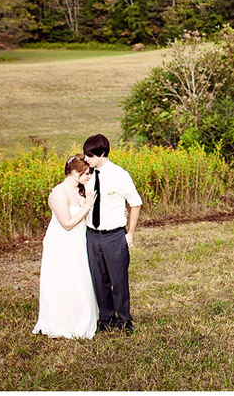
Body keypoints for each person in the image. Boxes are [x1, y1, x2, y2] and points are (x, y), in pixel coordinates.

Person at [33, 154, 98, 339]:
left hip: (80, 241)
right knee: (64, 279)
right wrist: (87, 206)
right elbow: (67, 224)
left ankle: (82, 317)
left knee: (80, 278)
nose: (88, 177)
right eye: (86, 173)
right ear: (74, 172)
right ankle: (62, 321)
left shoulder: (81, 190)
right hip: (62, 242)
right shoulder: (58, 193)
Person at [83, 134, 143, 334]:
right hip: (92, 235)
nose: (86, 158)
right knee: (99, 280)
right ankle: (106, 319)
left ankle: (125, 320)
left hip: (114, 235)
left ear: (101, 153)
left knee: (118, 280)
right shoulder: (86, 175)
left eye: (89, 155)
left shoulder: (120, 175)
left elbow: (135, 203)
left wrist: (130, 233)